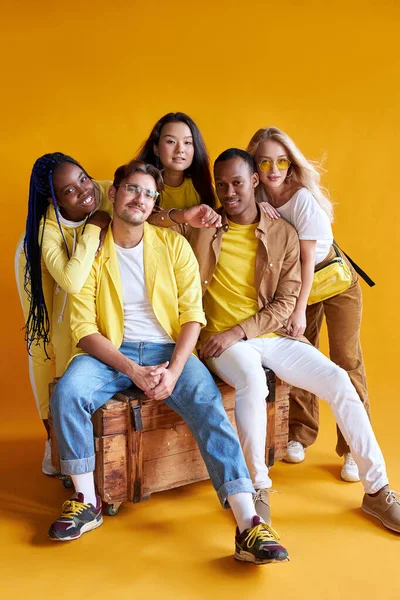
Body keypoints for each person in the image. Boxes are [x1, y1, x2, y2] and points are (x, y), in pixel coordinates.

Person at [48, 159, 289, 565]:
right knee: (68, 391)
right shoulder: (92, 252)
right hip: (111, 351)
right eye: (131, 189)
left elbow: (192, 315)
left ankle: (248, 524)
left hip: (169, 350)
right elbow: (83, 329)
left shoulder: (172, 244)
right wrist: (133, 371)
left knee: (209, 405)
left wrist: (174, 370)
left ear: (154, 201)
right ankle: (85, 500)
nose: (139, 199)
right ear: (115, 193)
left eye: (148, 193)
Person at [160, 148, 400, 534]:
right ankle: (257, 487)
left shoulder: (282, 232)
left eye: (237, 182)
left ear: (254, 181)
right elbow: (142, 221)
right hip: (223, 345)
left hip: (261, 335)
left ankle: (378, 490)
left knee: (339, 380)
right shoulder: (203, 225)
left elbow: (286, 301)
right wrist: (181, 215)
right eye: (221, 185)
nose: (228, 192)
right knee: (252, 381)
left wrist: (239, 330)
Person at [247, 127, 369, 482]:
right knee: (304, 355)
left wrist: (297, 311)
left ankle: (352, 449)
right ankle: (300, 434)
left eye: (282, 161)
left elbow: (305, 260)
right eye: (265, 161)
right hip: (299, 287)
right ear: (254, 165)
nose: (274, 169)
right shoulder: (255, 195)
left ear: (291, 163)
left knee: (346, 359)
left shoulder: (301, 199)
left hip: (332, 282)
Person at [15, 153, 112, 475]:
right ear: (54, 200)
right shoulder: (46, 230)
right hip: (42, 271)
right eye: (69, 191)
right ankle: (51, 440)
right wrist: (95, 226)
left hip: (84, 274)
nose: (84, 191)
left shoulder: (106, 191)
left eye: (83, 178)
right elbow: (71, 280)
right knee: (46, 347)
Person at [135, 112, 216, 210]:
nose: (180, 149)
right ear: (156, 148)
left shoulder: (205, 189)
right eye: (171, 141)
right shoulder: (138, 185)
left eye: (187, 142)